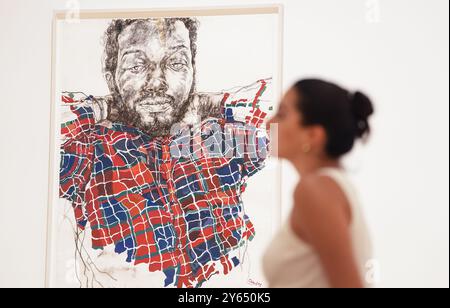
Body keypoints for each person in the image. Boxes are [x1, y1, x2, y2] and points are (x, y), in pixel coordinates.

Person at [59, 17, 272, 288]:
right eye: (136, 66)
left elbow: (289, 124)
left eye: (175, 64)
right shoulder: (91, 148)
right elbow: (32, 138)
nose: (157, 82)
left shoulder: (221, 139)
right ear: (111, 78)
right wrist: (102, 107)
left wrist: (211, 103)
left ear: (193, 73)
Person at [263, 79, 374, 288]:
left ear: (313, 135)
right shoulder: (330, 185)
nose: (269, 123)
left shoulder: (315, 189)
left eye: (282, 113)